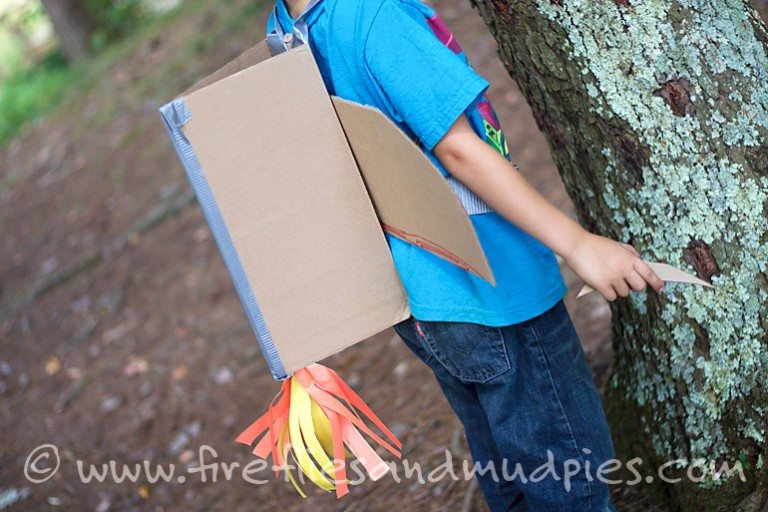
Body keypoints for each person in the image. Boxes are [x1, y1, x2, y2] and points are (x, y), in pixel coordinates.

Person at [267, 0, 664, 510]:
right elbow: (456, 148)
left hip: (421, 297)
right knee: (569, 477)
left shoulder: (285, 31)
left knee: (506, 464)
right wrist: (578, 245)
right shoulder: (373, 16)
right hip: (488, 284)